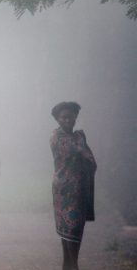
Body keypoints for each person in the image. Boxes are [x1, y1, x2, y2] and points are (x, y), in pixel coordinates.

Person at [50, 102, 96, 270]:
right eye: (63, 117)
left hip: (79, 191)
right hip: (63, 192)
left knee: (74, 233)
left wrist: (84, 152)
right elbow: (75, 151)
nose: (67, 120)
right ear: (57, 119)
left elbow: (90, 161)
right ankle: (72, 267)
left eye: (70, 116)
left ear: (76, 117)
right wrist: (82, 149)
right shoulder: (56, 136)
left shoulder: (79, 137)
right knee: (68, 235)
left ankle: (69, 266)